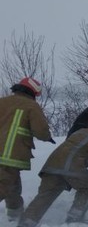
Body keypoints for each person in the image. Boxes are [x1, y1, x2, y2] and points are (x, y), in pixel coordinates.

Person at [17, 117, 88, 227]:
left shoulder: (80, 132)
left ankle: (26, 222)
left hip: (52, 166)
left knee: (45, 196)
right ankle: (75, 218)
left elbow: (81, 150)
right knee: (87, 189)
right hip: (71, 167)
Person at [0, 77, 54, 222]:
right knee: (4, 185)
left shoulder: (2, 101)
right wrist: (47, 137)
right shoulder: (30, 106)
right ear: (32, 93)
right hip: (9, 155)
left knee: (13, 188)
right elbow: (41, 131)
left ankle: (14, 217)